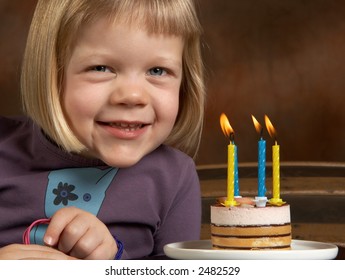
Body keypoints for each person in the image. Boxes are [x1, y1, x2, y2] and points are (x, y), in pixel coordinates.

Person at [0, 0, 205, 260]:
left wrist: (112, 264)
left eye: (157, 70)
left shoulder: (173, 178)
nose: (132, 96)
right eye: (101, 68)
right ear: (51, 72)